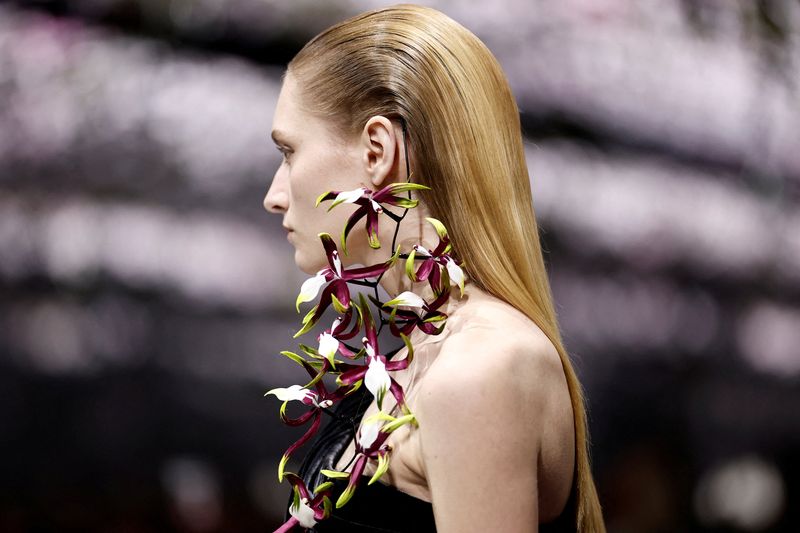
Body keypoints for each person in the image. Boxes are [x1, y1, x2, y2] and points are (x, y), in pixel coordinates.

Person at [262, 4, 606, 532]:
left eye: (288, 152)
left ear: (377, 150)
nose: (274, 196)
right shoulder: (434, 356)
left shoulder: (480, 367)